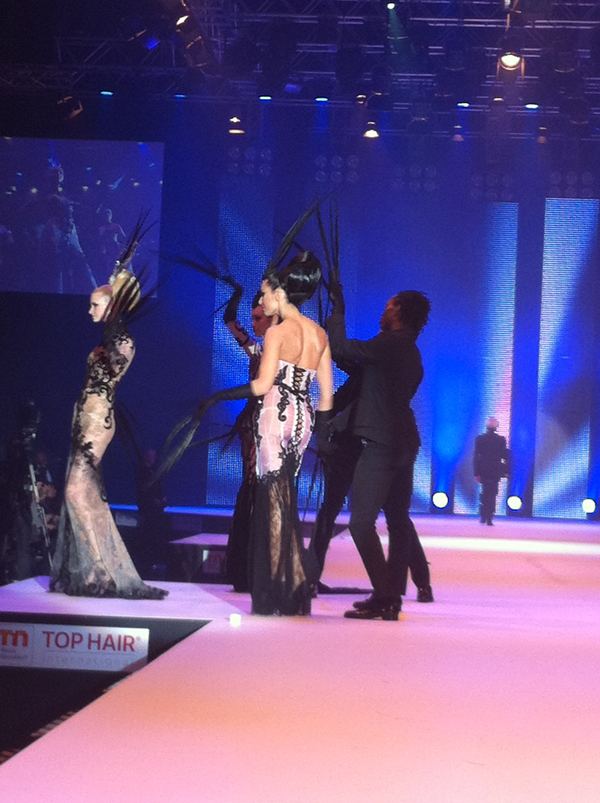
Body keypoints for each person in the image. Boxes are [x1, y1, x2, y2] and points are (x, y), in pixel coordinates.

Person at [50, 269, 167, 599]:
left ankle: (100, 567)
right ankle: (94, 567)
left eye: (96, 305)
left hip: (98, 422)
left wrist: (115, 312)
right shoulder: (108, 340)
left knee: (75, 491)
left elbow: (115, 366)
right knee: (86, 495)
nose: (90, 310)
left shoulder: (124, 342)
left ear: (112, 306)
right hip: (83, 420)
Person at [323, 285, 431, 621]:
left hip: (381, 443)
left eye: (387, 306)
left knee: (360, 523)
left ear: (398, 311)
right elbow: (366, 370)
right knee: (398, 521)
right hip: (405, 443)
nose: (383, 311)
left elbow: (341, 346)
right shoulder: (410, 352)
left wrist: (338, 311)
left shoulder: (388, 345)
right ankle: (392, 595)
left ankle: (385, 595)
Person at [311, 363, 433, 603]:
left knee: (337, 512)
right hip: (361, 448)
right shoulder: (387, 373)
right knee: (396, 517)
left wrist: (321, 426)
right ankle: (419, 584)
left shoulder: (374, 373)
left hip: (363, 448)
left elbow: (337, 401)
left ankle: (310, 579)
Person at [222, 285, 278, 592]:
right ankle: (248, 568)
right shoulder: (258, 350)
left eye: (258, 319)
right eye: (253, 318)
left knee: (260, 488)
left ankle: (255, 567)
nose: (253, 323)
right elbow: (231, 322)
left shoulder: (276, 352)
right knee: (253, 487)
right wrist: (237, 294)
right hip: (254, 426)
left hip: (267, 426)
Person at [474, 417, 509, 525]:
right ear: (496, 427)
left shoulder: (480, 439)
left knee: (485, 492)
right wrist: (506, 470)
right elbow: (505, 455)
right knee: (492, 493)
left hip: (485, 468)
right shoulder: (500, 440)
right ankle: (488, 517)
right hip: (494, 469)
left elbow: (476, 456)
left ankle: (484, 516)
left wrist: (477, 472)